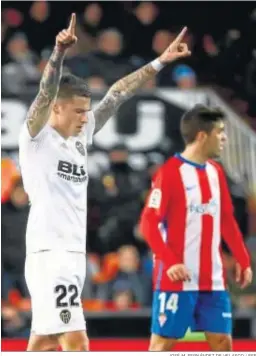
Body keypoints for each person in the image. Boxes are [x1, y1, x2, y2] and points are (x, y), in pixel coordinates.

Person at [18, 13, 191, 352]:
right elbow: (45, 90)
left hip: (71, 253)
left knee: (43, 342)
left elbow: (117, 93)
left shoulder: (80, 138)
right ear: (57, 109)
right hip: (50, 253)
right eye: (79, 111)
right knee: (75, 340)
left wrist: (159, 62)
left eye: (87, 111)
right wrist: (58, 53)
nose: (86, 118)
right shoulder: (36, 136)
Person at [139, 104, 253, 351]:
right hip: (177, 279)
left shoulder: (216, 171)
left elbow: (226, 220)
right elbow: (148, 223)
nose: (224, 138)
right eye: (220, 132)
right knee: (162, 344)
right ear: (202, 136)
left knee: (223, 343)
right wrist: (171, 262)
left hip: (213, 279)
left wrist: (243, 259)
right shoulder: (170, 172)